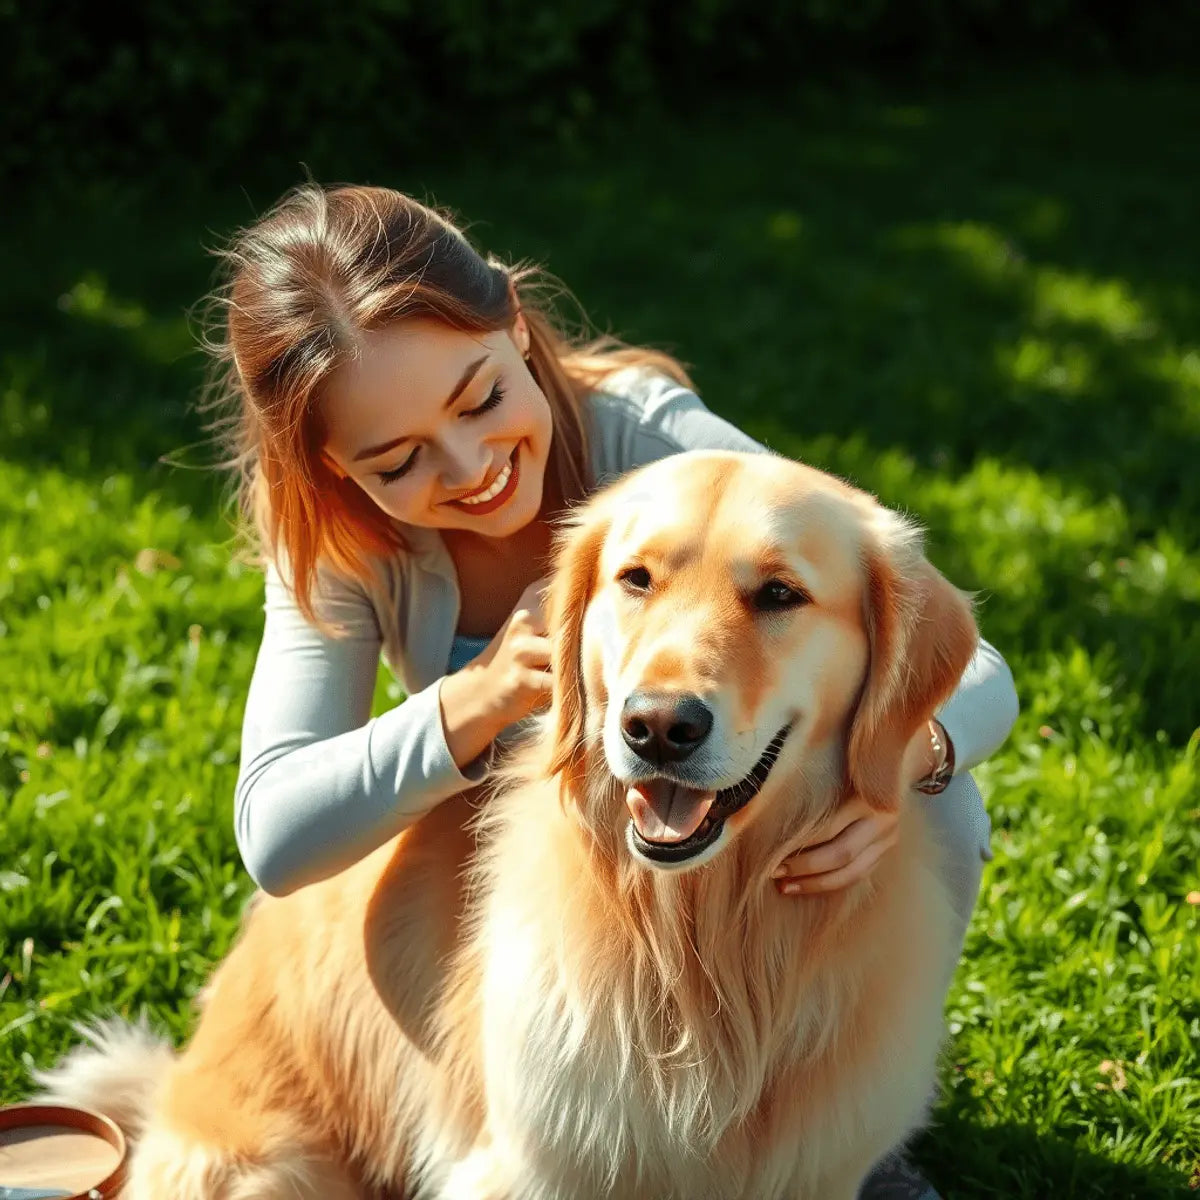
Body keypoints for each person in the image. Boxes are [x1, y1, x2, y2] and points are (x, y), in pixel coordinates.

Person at [210, 183, 1018, 1200]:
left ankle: (850, 1119)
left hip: (728, 831)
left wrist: (899, 767)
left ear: (511, 316)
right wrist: (479, 698)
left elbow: (953, 652)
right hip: (522, 881)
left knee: (933, 788)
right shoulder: (338, 543)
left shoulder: (649, 439)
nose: (468, 468)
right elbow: (278, 833)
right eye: (398, 459)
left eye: (480, 399)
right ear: (331, 467)